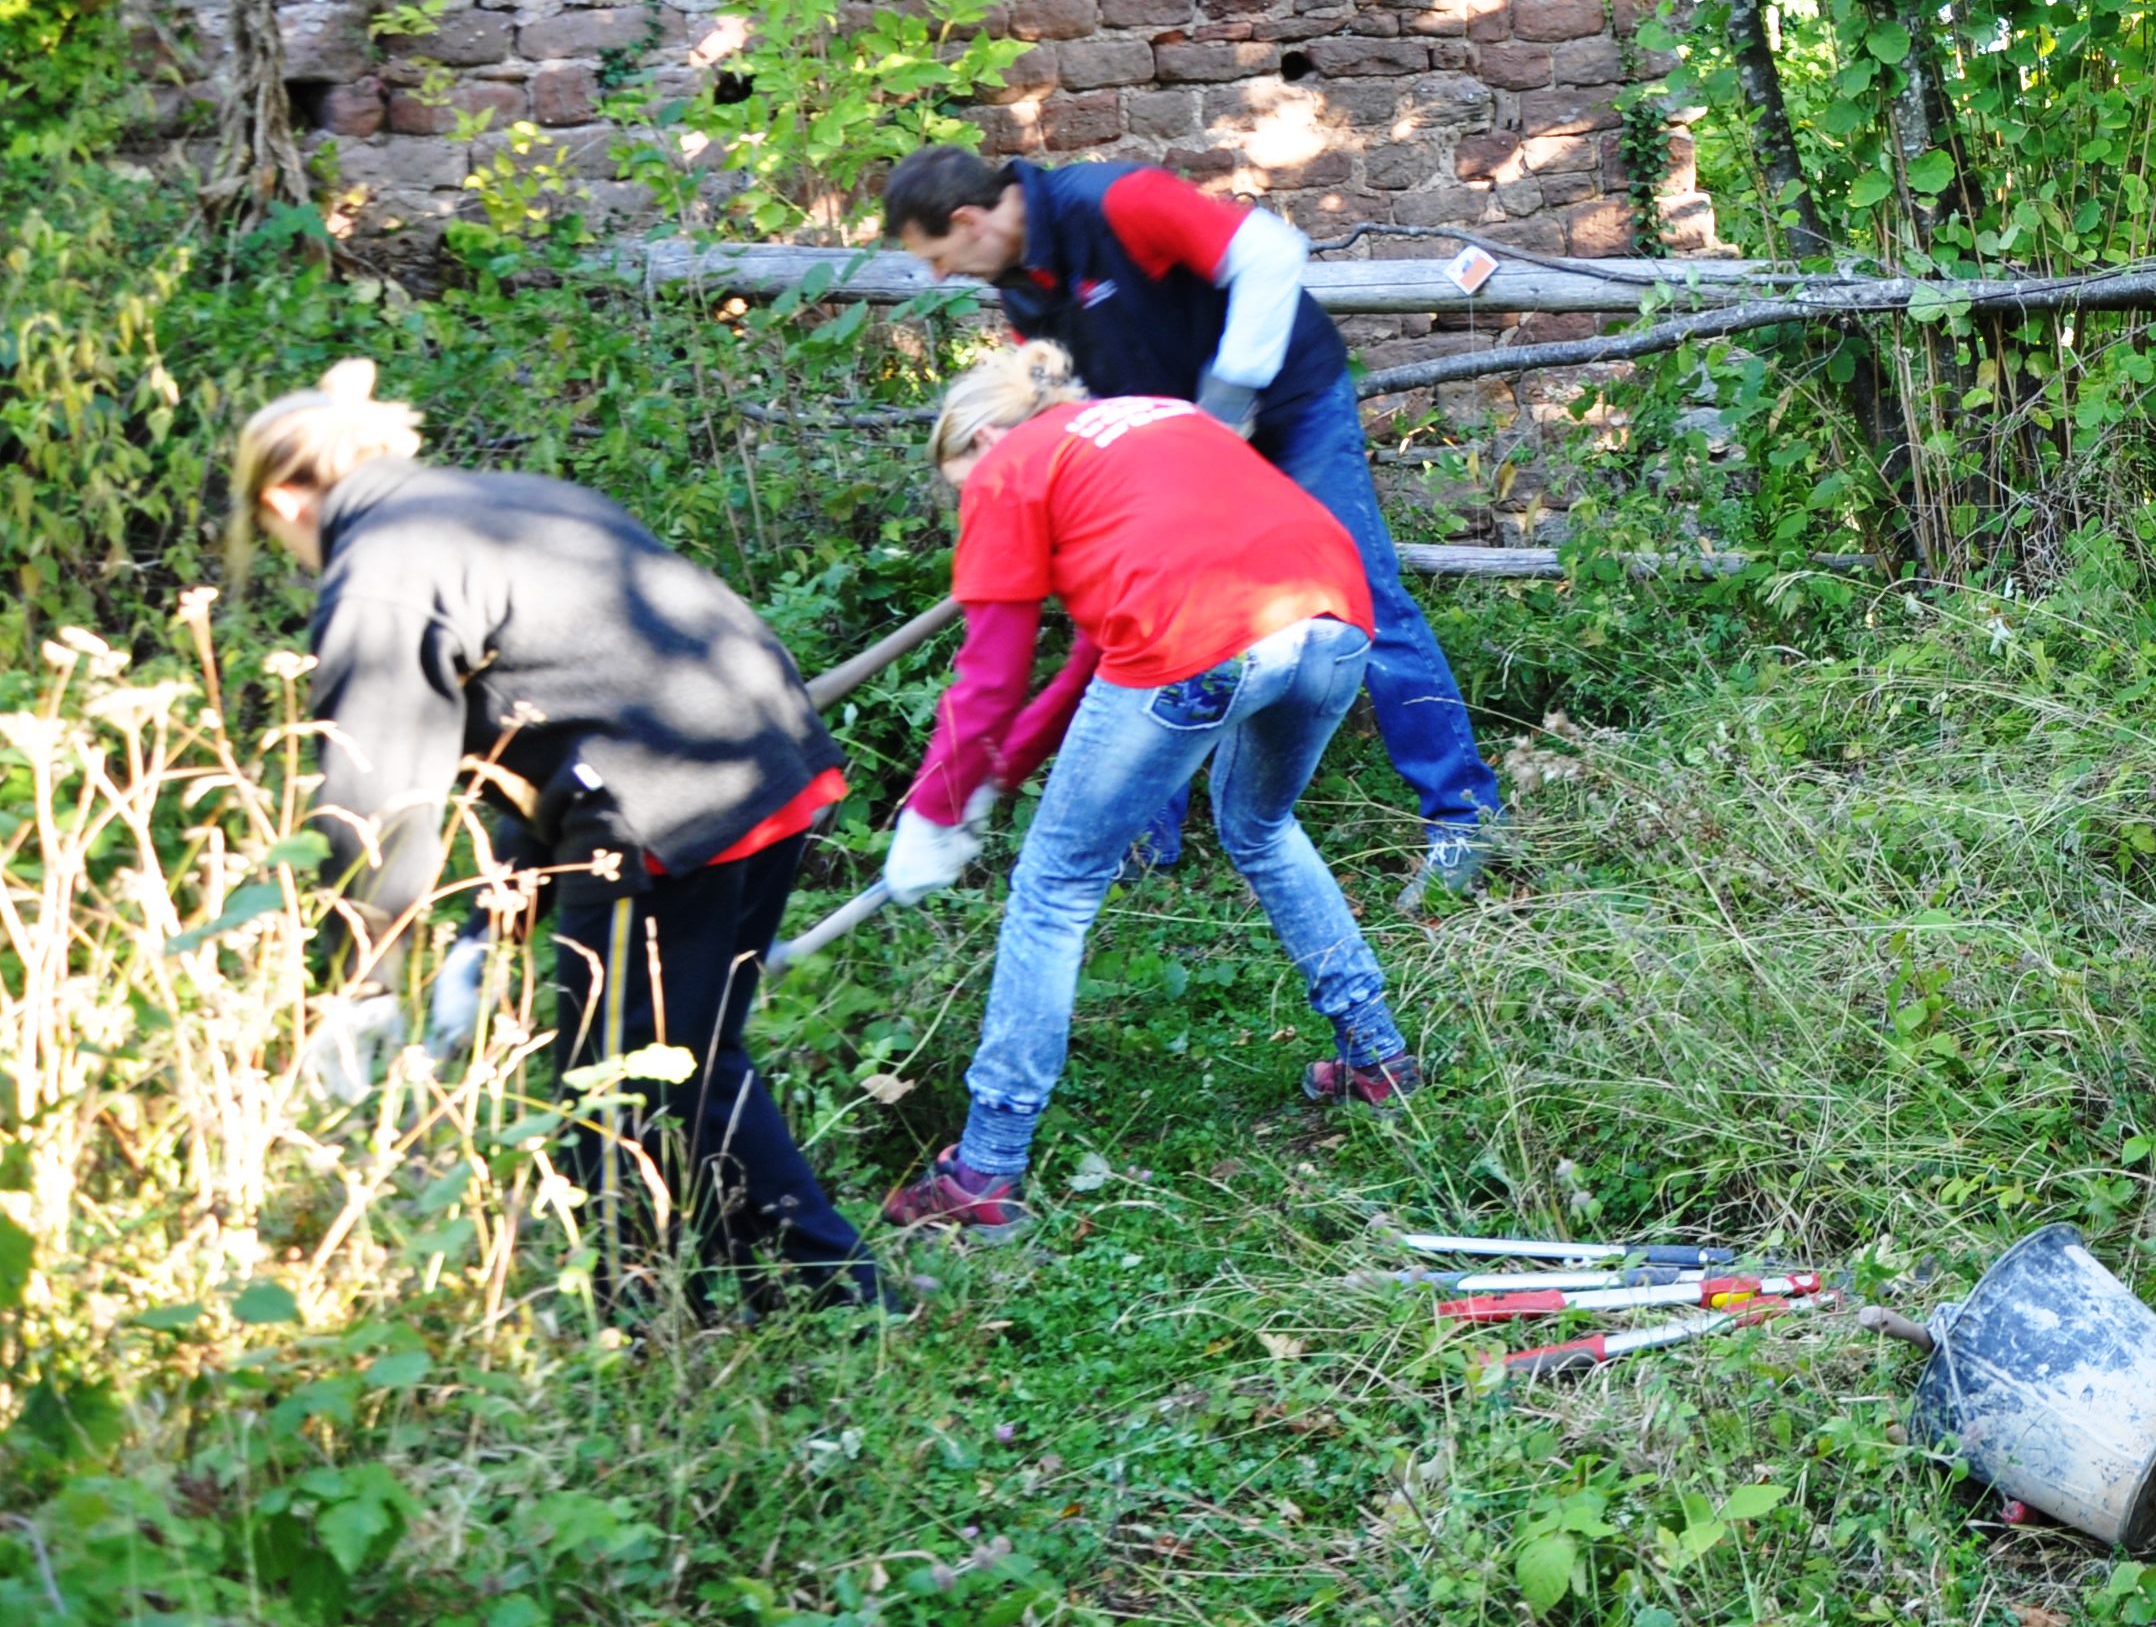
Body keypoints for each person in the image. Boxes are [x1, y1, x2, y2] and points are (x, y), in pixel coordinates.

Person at [233, 361, 882, 1310]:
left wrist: (361, 984)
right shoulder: (504, 502)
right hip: (768, 763)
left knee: (609, 1081)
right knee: (687, 1057)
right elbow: (558, 730)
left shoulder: (380, 574)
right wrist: (486, 932)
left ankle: (635, 1322)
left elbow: (373, 797)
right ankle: (829, 1293)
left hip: (665, 807)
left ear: (284, 499)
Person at [875, 344, 1424, 1244]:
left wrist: (935, 810)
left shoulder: (1009, 467)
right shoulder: (1154, 419)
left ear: (980, 438)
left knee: (1053, 887)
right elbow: (1087, 664)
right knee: (1260, 827)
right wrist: (993, 780)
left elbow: (990, 674)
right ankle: (1378, 1057)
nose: (966, 505)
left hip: (1200, 639)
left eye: (957, 488)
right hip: (1331, 621)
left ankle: (986, 1170)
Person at [875, 148, 1501, 896]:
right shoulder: (1023, 291)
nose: (940, 275)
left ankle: (1465, 819)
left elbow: (1269, 251)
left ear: (968, 219)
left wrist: (1225, 402)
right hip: (1180, 448)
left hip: (1285, 406)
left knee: (1361, 599)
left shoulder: (1112, 200)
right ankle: (1146, 845)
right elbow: (1075, 404)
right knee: (1146, 616)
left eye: (937, 255)